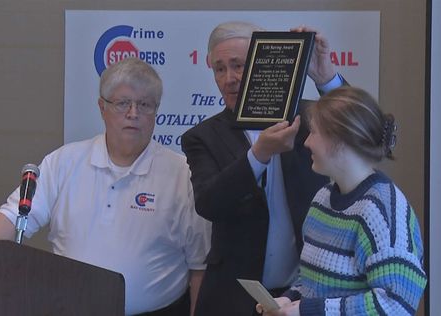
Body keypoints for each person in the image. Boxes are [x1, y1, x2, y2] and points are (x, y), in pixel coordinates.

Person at [0, 57, 210, 316]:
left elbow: (199, 266)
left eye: (144, 105)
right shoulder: (63, 162)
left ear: (156, 112)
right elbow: (13, 218)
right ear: (102, 108)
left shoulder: (183, 174)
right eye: (123, 103)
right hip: (69, 308)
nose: (133, 114)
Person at [180, 21, 346, 316]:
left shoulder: (309, 118)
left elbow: (366, 136)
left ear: (260, 65)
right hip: (232, 299)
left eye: (238, 66)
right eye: (219, 69)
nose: (229, 78)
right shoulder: (202, 136)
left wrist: (326, 78)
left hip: (304, 293)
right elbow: (208, 202)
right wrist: (259, 155)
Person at [256, 86, 427, 316]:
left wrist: (308, 310)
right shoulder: (323, 198)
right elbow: (312, 280)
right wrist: (289, 300)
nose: (306, 142)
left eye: (314, 132)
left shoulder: (383, 211)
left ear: (341, 140)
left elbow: (397, 305)